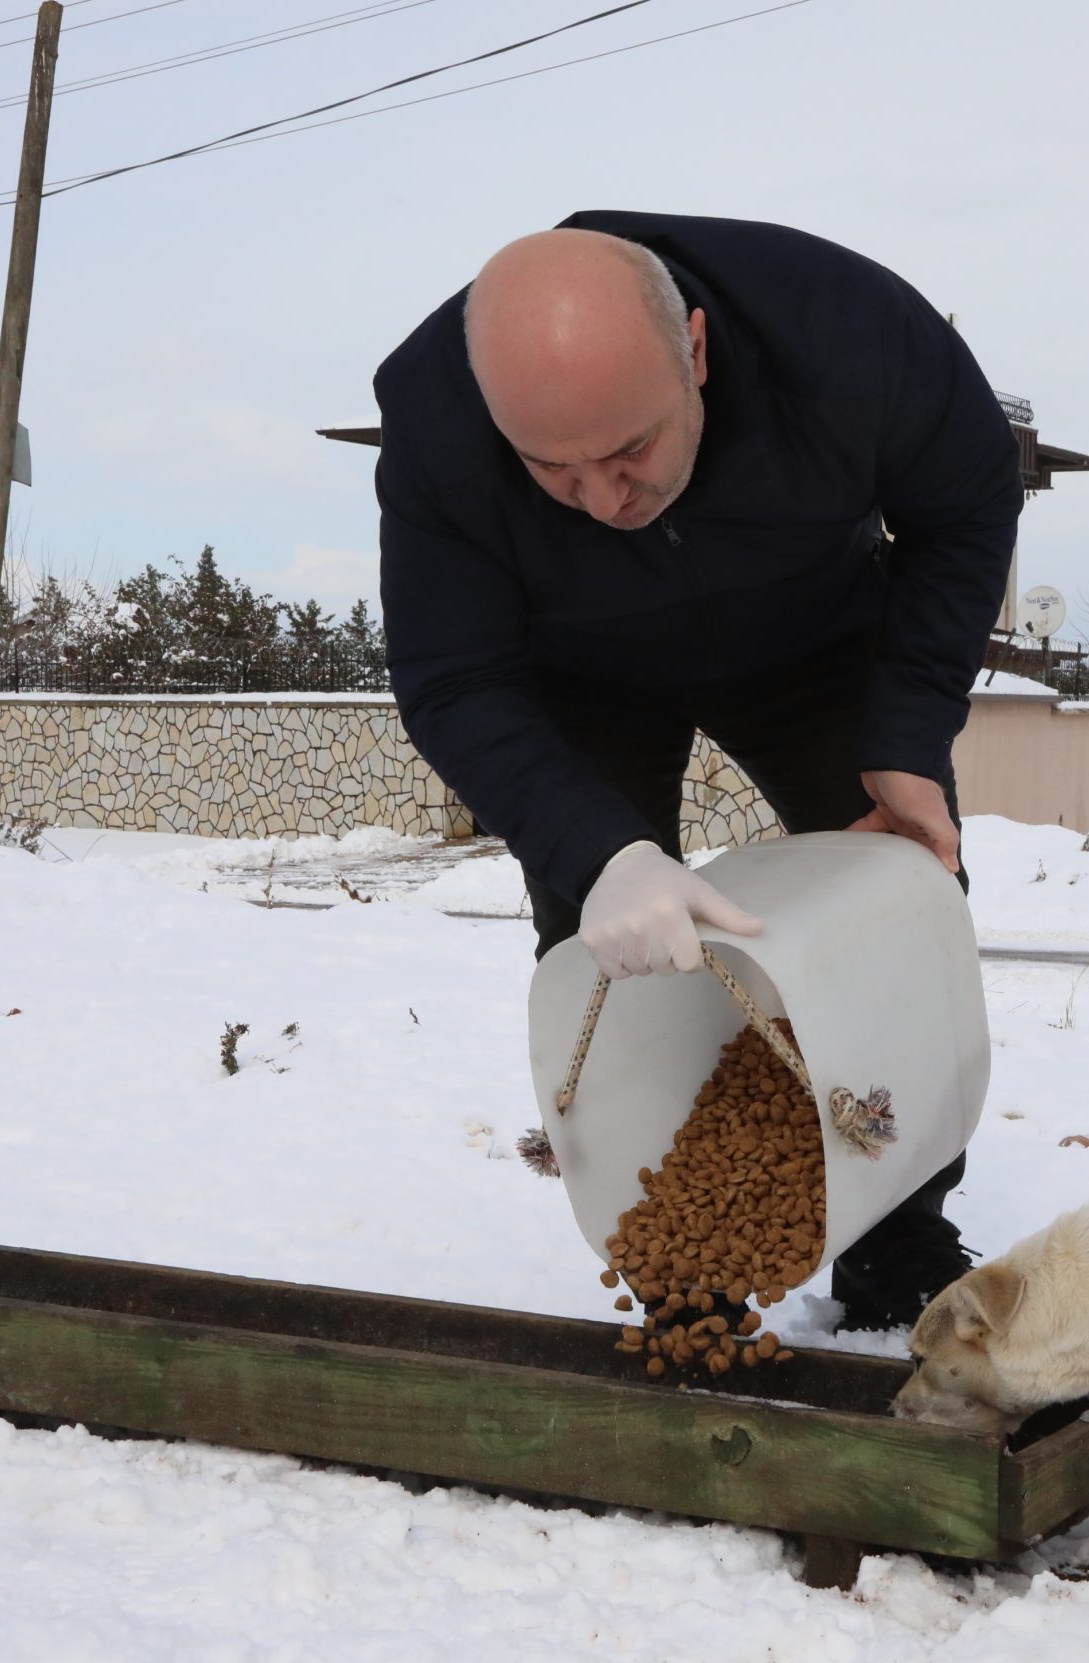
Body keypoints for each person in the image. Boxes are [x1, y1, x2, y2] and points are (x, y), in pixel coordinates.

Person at [373, 211, 1022, 1330]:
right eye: (551, 471)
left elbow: (965, 507)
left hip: (814, 642)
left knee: (892, 915)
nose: (605, 501)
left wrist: (907, 731)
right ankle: (684, 1254)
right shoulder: (435, 419)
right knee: (618, 941)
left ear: (699, 354)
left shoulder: (852, 337)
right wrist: (599, 852)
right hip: (579, 672)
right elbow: (452, 677)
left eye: (630, 450)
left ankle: (897, 1229)